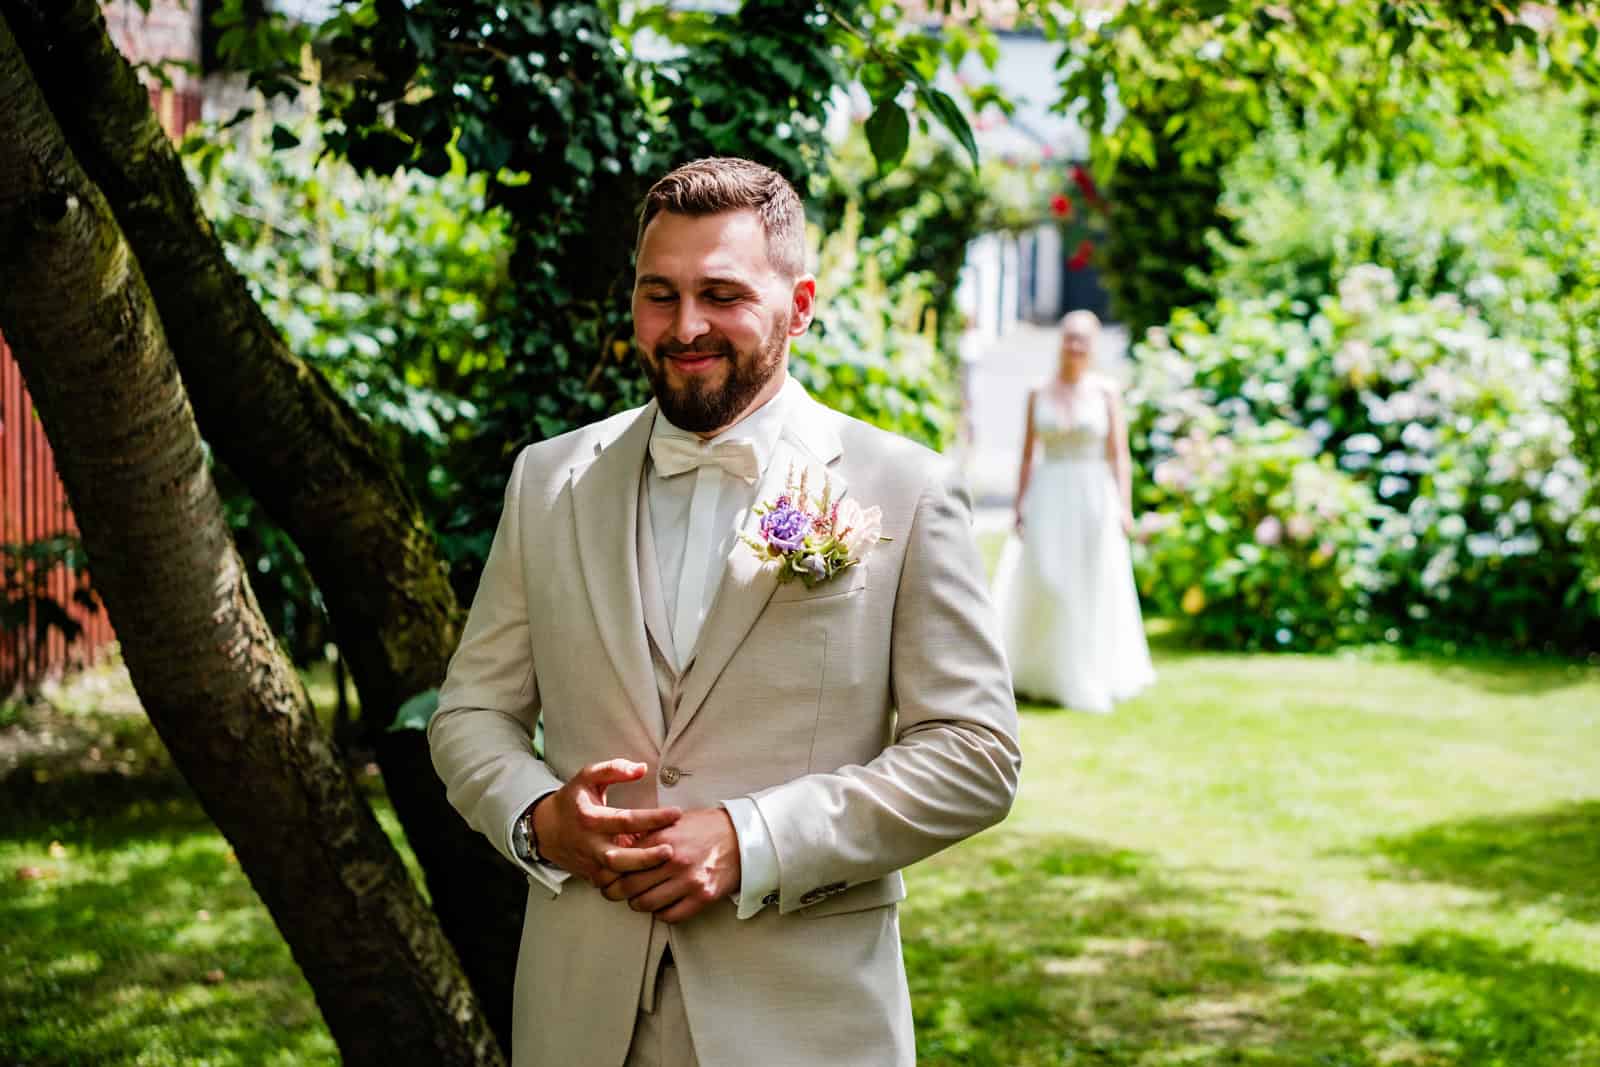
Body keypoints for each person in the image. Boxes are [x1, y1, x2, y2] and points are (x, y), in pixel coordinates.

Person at [428, 157, 1021, 1067]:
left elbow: (975, 756)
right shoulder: (548, 481)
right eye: (657, 294)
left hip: (806, 1019)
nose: (686, 326)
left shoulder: (902, 489)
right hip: (581, 1015)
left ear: (802, 303)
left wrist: (755, 839)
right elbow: (470, 714)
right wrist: (541, 818)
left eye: (722, 293)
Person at [992, 309, 1154, 713]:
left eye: (1083, 339)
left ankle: (1089, 670)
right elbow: (1028, 456)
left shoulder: (1106, 392)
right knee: (1047, 577)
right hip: (1049, 495)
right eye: (1069, 337)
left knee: (1091, 578)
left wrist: (1124, 506)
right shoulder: (1037, 391)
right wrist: (1019, 504)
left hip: (1092, 494)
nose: (1075, 346)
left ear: (1093, 345)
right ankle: (1039, 669)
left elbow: (1119, 455)